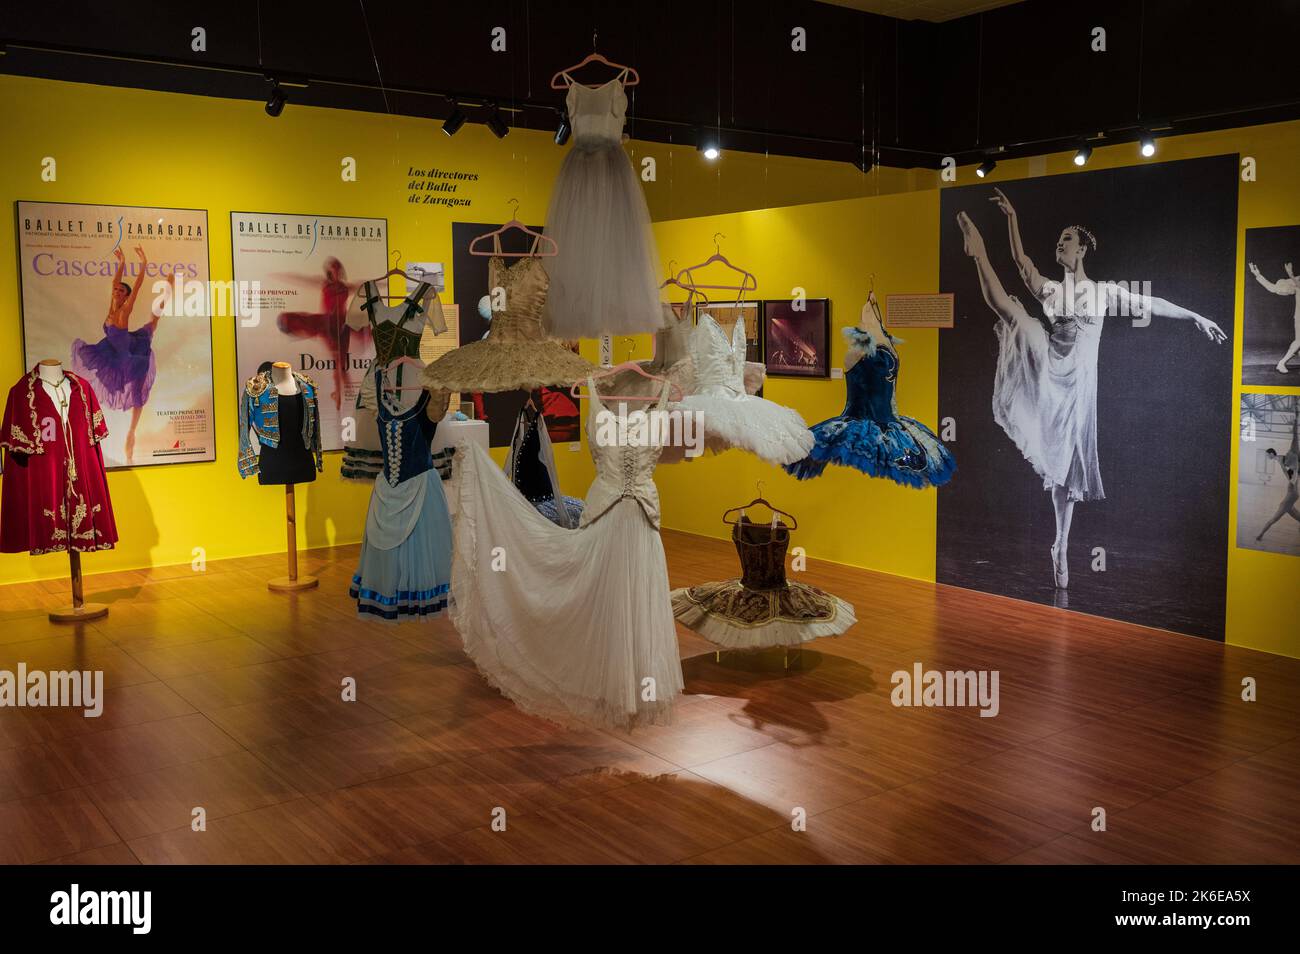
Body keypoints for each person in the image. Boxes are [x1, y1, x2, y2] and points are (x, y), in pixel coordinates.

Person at [958, 187, 1226, 588]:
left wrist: (1196, 316)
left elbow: (1152, 305)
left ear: (1081, 249)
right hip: (1051, 368)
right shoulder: (1050, 289)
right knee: (1014, 314)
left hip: (1080, 387)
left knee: (1067, 471)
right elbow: (1020, 261)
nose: (1060, 244)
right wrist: (1011, 218)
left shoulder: (1104, 293)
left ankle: (1060, 545)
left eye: (1067, 239)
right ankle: (978, 252)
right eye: (1059, 239)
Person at [71, 245, 159, 463]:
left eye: (121, 291)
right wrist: (121, 262)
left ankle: (131, 434)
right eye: (116, 290)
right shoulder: (112, 306)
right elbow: (114, 282)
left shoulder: (124, 310)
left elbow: (136, 288)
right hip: (112, 349)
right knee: (94, 375)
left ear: (126, 296)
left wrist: (143, 264)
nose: (117, 292)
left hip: (126, 356)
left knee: (136, 394)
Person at [1247, 261, 1300, 374]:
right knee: (1299, 341)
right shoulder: (1297, 281)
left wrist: (1291, 274)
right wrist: (1258, 275)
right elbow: (1273, 288)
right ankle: (1282, 363)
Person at [1257, 406, 1300, 541]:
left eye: (1267, 455)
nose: (1287, 452)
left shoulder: (1293, 452)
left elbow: (1295, 435)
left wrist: (1295, 418)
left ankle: (1260, 535)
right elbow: (1280, 463)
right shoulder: (1286, 460)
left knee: (1273, 519)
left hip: (1292, 492)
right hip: (1292, 493)